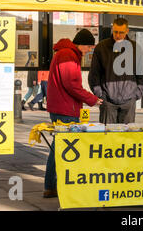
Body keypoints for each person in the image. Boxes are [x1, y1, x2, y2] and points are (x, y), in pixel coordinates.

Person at [43, 28, 103, 198]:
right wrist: (92, 99)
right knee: (61, 149)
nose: (90, 50)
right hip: (65, 109)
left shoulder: (67, 53)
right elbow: (72, 85)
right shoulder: (68, 55)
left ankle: (52, 186)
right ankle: (52, 185)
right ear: (82, 44)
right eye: (90, 47)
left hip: (62, 107)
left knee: (58, 147)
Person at [88, 18, 143, 124]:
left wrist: (137, 94)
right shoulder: (101, 47)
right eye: (115, 32)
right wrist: (100, 95)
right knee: (107, 138)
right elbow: (94, 74)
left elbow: (142, 75)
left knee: (127, 138)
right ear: (112, 29)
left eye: (121, 32)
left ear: (127, 31)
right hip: (108, 101)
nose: (118, 35)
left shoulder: (135, 48)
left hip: (129, 101)